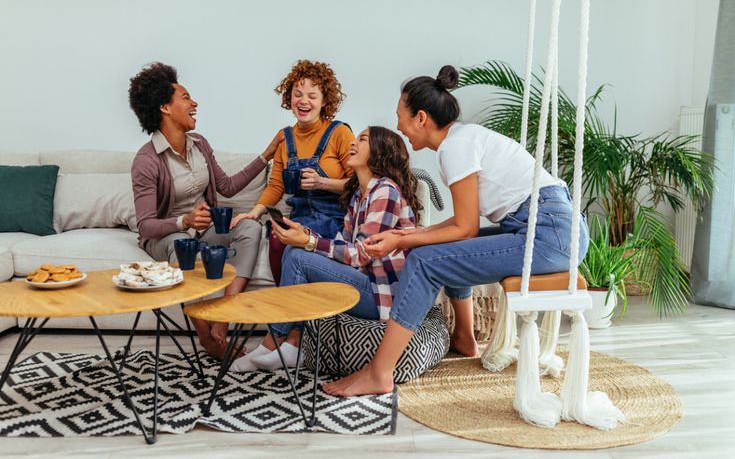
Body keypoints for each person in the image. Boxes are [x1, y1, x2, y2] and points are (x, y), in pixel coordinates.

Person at [322, 65, 590, 397]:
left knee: (423, 261)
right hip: (549, 226)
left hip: (549, 233)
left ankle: (380, 372)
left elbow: (465, 228)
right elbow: (460, 225)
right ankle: (465, 338)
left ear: (420, 118)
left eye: (400, 117)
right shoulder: (462, 139)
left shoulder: (455, 147)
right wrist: (406, 236)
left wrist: (404, 239)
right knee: (439, 252)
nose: (398, 126)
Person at [229, 126, 422, 372]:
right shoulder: (359, 196)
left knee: (299, 256)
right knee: (294, 249)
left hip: (380, 295)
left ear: (380, 153)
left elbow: (360, 254)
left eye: (362, 139)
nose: (353, 143)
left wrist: (308, 243)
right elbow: (344, 242)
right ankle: (289, 345)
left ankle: (274, 341)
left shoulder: (385, 191)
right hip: (365, 283)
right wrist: (304, 235)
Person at [128, 62, 283, 359]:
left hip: (206, 230)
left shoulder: (199, 143)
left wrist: (267, 155)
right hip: (168, 236)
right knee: (180, 244)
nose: (194, 102)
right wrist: (183, 220)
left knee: (250, 227)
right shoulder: (146, 161)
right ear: (165, 107)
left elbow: (226, 186)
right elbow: (146, 226)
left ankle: (222, 322)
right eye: (186, 97)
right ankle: (205, 337)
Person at [230, 60, 354, 286]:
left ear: (324, 100)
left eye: (312, 95)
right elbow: (276, 186)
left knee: (293, 243)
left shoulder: (340, 133)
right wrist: (254, 213)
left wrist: (322, 183)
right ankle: (286, 307)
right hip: (301, 217)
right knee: (277, 238)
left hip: (336, 218)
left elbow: (358, 184)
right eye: (297, 94)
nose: (303, 101)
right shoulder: (284, 138)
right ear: (289, 99)